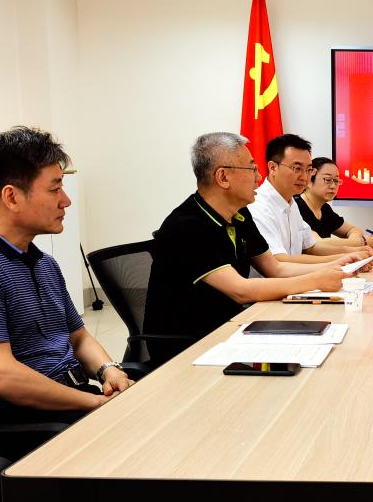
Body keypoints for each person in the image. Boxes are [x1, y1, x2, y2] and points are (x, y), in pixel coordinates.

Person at [0, 128, 354, 502]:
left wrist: (107, 371)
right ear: (11, 196)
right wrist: (92, 405)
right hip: (19, 434)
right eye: (55, 188)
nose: (67, 200)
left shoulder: (39, 261)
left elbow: (78, 336)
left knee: (214, 442)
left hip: (66, 409)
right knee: (183, 455)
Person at [144, 132, 350, 365]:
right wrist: (315, 280)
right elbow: (241, 290)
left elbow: (276, 268)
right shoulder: (188, 225)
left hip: (230, 329)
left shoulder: (239, 215)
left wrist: (333, 269)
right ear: (223, 177)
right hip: (188, 347)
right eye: (252, 169)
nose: (259, 177)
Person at [249, 134, 373, 263]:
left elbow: (311, 247)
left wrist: (356, 252)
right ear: (273, 167)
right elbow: (279, 260)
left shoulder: (291, 203)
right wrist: (343, 259)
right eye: (297, 168)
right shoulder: (258, 206)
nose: (304, 177)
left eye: (308, 170)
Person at [296, 156, 373, 249]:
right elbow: (316, 243)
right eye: (327, 180)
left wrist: (355, 243)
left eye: (336, 181)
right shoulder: (296, 207)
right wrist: (362, 242)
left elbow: (353, 230)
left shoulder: (324, 208)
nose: (333, 186)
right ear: (309, 181)